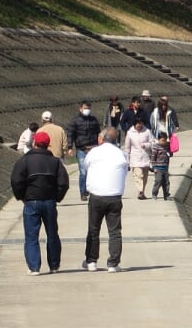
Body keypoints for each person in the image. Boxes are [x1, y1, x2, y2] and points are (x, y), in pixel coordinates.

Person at [10, 130, 69, 275]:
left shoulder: (24, 161)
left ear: (34, 143)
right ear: (48, 145)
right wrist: (57, 197)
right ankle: (54, 266)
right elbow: (63, 183)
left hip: (31, 201)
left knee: (31, 236)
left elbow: (16, 181)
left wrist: (22, 196)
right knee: (52, 234)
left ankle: (34, 267)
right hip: (49, 201)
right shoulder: (55, 162)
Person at [83, 127, 128, 272]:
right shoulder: (121, 154)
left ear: (102, 138)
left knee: (93, 229)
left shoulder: (94, 152)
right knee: (114, 231)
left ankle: (91, 261)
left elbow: (85, 166)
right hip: (114, 196)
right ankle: (113, 264)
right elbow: (124, 171)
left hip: (96, 195)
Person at [66, 101, 102, 202]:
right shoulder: (75, 121)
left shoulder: (93, 120)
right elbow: (70, 134)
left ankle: (91, 189)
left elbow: (99, 133)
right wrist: (70, 147)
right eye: (85, 108)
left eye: (89, 108)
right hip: (81, 148)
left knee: (93, 171)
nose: (87, 110)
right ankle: (83, 192)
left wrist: (101, 144)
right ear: (80, 109)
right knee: (83, 171)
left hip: (93, 148)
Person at [123, 115, 153, 200]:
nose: (139, 125)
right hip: (135, 157)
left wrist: (146, 145)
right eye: (138, 124)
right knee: (138, 175)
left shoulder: (147, 131)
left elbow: (152, 143)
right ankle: (140, 191)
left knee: (145, 177)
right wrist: (127, 160)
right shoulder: (130, 133)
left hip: (145, 157)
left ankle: (142, 192)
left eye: (141, 123)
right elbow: (127, 147)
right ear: (134, 124)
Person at [150, 131, 172, 200]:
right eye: (162, 140)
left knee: (166, 182)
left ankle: (166, 195)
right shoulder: (156, 147)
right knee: (158, 181)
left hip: (165, 167)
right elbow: (153, 158)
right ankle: (154, 193)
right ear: (158, 139)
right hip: (158, 168)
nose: (164, 142)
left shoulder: (167, 146)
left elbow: (170, 154)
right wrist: (154, 168)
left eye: (165, 140)